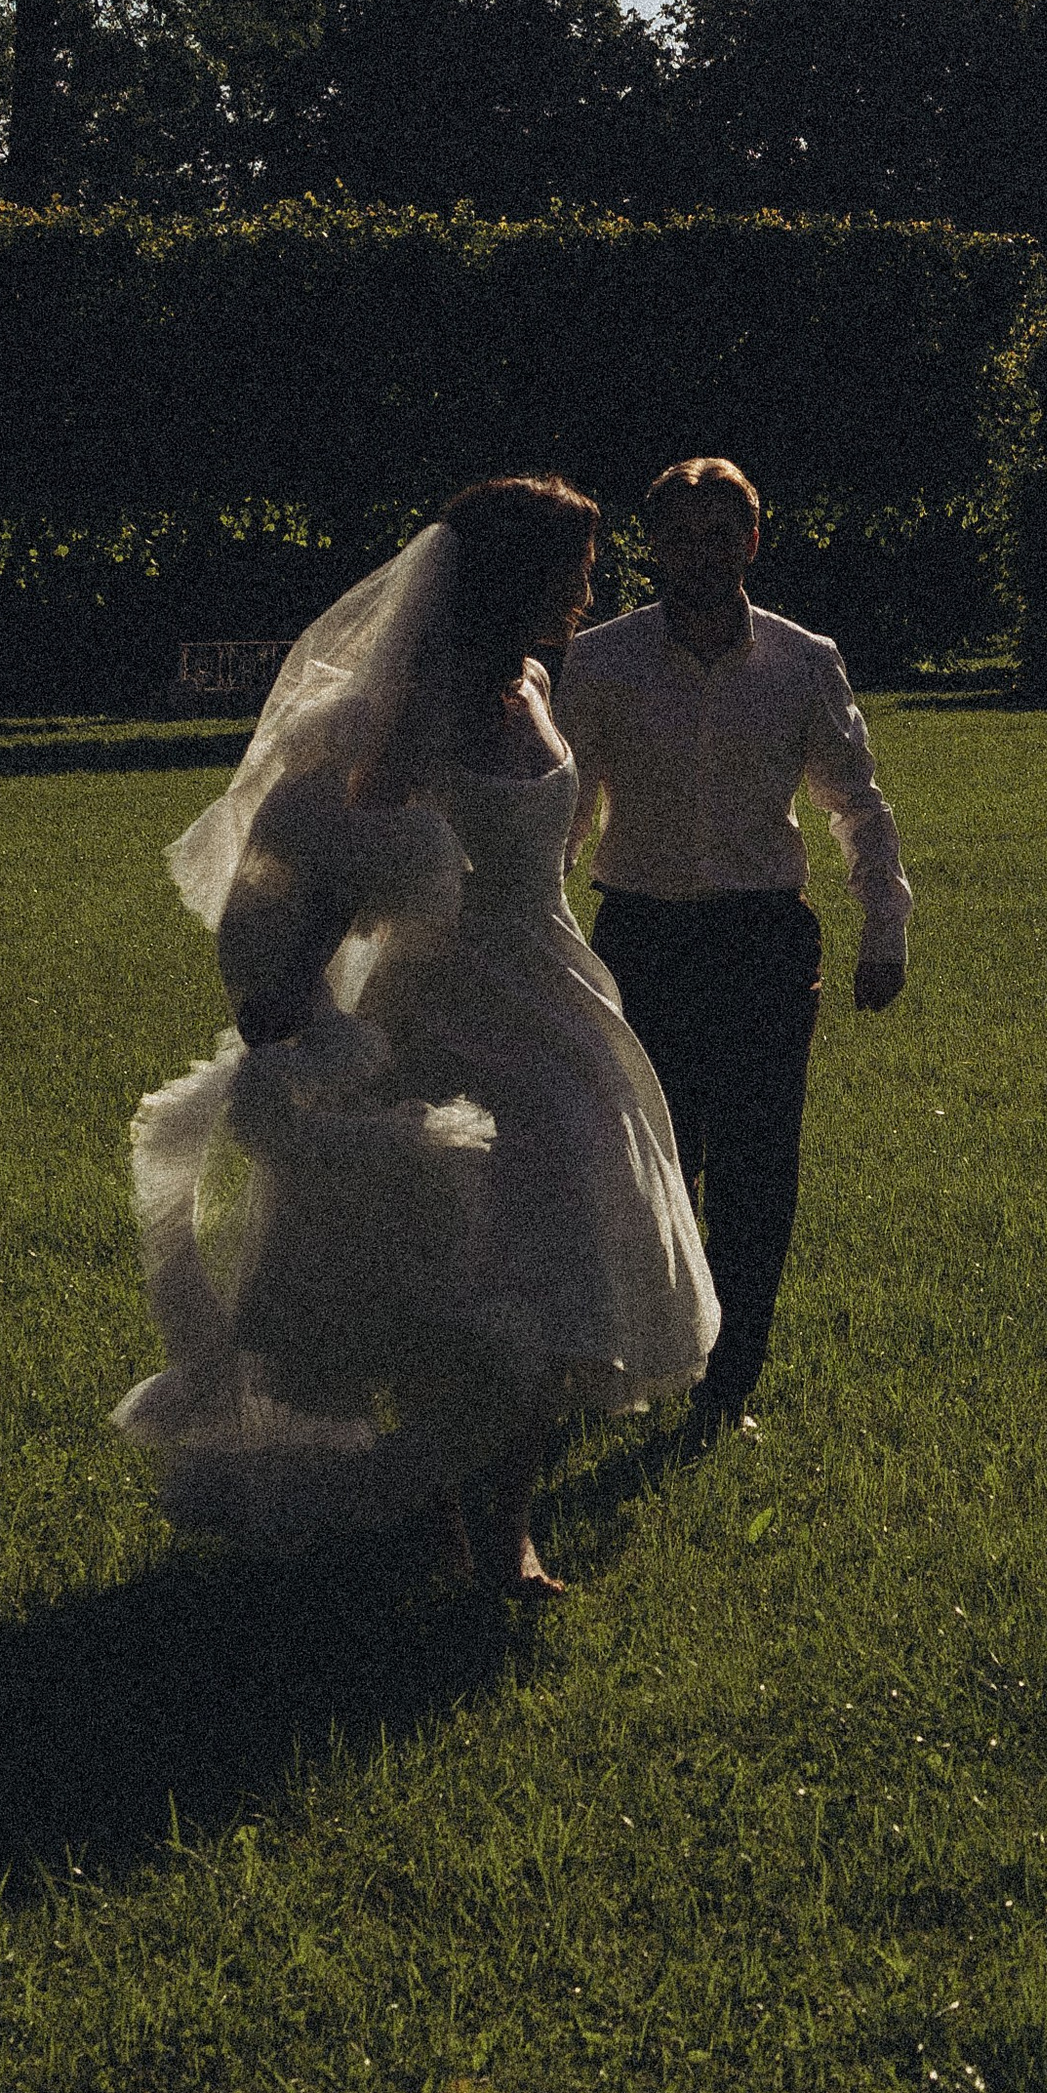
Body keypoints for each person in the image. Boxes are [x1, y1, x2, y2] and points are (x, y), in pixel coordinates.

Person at [112, 478, 719, 1596]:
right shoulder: (415, 713)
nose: (591, 589)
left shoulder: (538, 682)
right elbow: (345, 857)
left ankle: (512, 1529)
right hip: (444, 1014)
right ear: (510, 581)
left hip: (557, 1000)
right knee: (444, 1282)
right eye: (573, 569)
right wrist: (294, 988)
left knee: (556, 1271)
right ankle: (438, 1527)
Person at [558, 456, 910, 1446]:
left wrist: (883, 927)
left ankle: (726, 1389)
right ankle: (633, 1359)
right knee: (647, 1165)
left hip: (760, 938)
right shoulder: (601, 662)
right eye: (680, 536)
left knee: (758, 1170)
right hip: (640, 935)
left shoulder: (804, 661)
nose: (701, 556)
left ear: (753, 541)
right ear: (652, 545)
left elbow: (855, 801)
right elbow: (567, 810)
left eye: (722, 534)